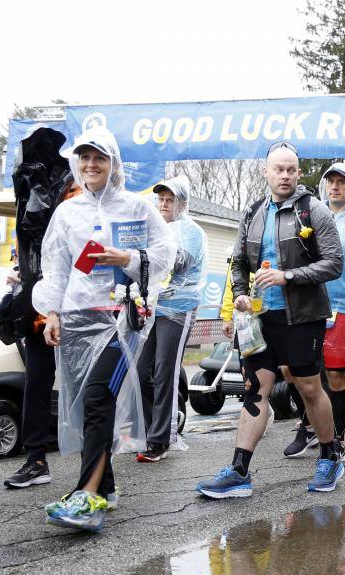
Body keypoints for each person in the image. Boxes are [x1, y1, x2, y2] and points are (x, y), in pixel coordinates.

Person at [33, 127, 175, 531]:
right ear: (77, 163)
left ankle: (88, 497)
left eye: (100, 158)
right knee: (84, 408)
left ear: (113, 164)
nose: (91, 165)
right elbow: (55, 266)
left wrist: (128, 256)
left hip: (121, 317)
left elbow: (167, 253)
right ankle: (106, 487)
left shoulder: (136, 207)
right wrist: (52, 313)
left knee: (97, 398)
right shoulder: (68, 212)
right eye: (85, 158)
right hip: (77, 318)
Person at [196, 141, 345, 498]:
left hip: (302, 317)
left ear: (298, 173)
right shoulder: (252, 213)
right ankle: (239, 470)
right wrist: (241, 294)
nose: (286, 175)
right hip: (259, 321)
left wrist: (287, 276)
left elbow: (334, 263)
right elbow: (238, 264)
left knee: (309, 388)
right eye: (279, 169)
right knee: (254, 388)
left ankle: (330, 455)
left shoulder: (314, 211)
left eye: (292, 169)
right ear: (266, 171)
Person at [283, 162, 345, 459]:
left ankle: (336, 437)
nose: (335, 186)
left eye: (342, 181)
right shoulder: (311, 214)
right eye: (331, 181)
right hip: (311, 304)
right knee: (295, 371)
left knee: (336, 377)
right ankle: (309, 424)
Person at [3, 128, 80, 489]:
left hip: (77, 305)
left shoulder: (73, 189)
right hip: (39, 304)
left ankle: (98, 467)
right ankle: (35, 458)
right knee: (36, 381)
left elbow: (75, 249)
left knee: (86, 385)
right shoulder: (27, 190)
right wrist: (21, 275)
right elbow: (28, 242)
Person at [136, 176, 207, 462]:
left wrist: (146, 253)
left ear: (183, 204)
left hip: (179, 309)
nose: (164, 205)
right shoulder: (155, 230)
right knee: (142, 370)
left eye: (170, 200)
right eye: (161, 200)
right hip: (154, 308)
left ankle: (161, 438)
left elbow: (177, 262)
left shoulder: (190, 231)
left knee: (165, 370)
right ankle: (151, 427)